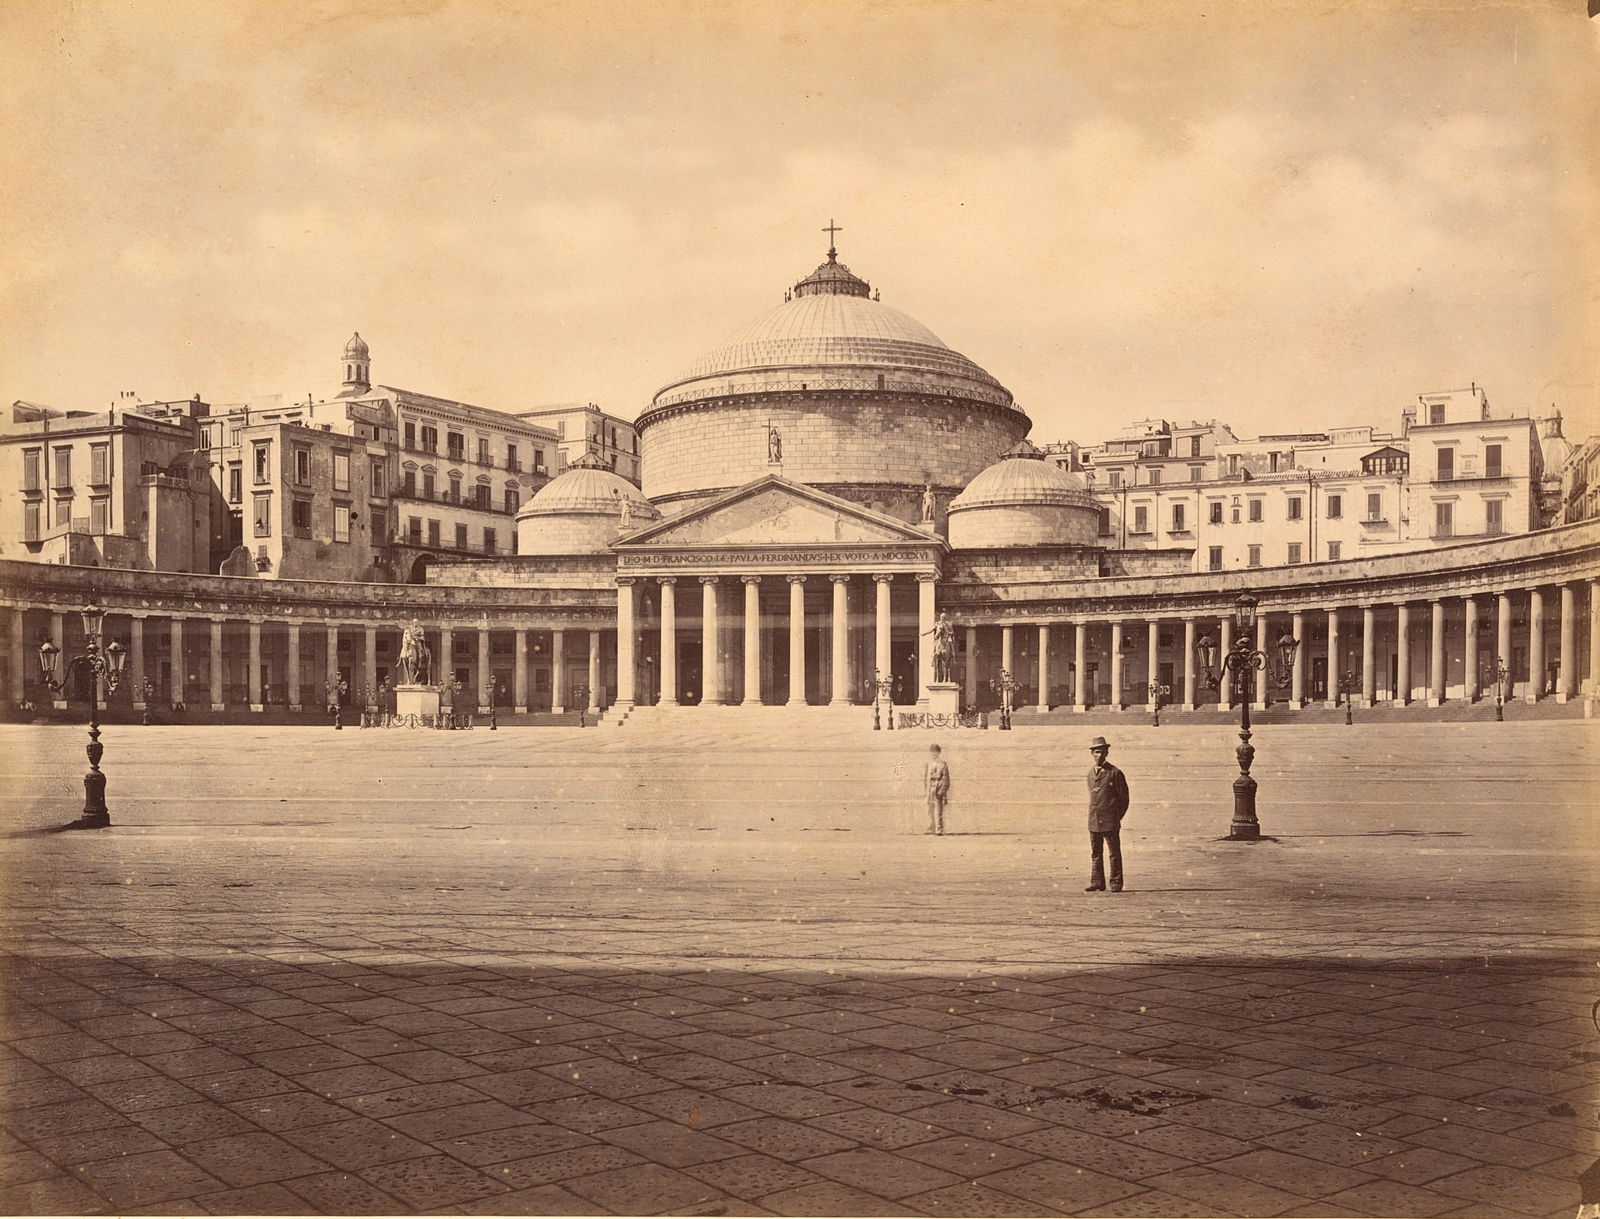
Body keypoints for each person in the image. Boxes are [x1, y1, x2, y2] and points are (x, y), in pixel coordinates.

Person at [1085, 735, 1129, 891]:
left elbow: (1124, 799)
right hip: (1094, 819)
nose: (1099, 755)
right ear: (1092, 753)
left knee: (1114, 853)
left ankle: (1116, 883)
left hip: (1110, 819)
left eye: (1102, 752)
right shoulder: (1090, 773)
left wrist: (1116, 816)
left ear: (1107, 753)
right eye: (1096, 752)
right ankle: (1097, 881)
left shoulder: (1115, 773)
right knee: (1096, 852)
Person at [925, 744, 950, 835]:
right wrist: (926, 790)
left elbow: (946, 780)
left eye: (936, 752)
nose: (934, 754)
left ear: (939, 753)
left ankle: (939, 829)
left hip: (938, 788)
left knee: (939, 810)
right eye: (932, 752)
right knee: (929, 810)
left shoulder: (943, 764)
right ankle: (931, 828)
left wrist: (942, 791)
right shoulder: (928, 763)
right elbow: (925, 777)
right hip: (930, 788)